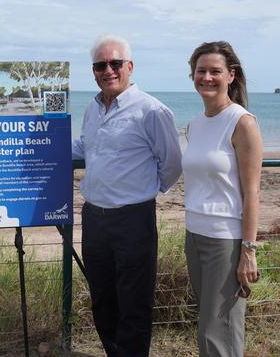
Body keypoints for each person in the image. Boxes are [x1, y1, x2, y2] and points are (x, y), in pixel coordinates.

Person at [72, 34, 182, 356]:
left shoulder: (152, 111)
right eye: (100, 65)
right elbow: (86, 148)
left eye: (115, 63)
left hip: (133, 220)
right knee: (102, 299)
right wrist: (42, 142)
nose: (108, 70)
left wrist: (147, 190)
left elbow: (172, 163)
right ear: (93, 70)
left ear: (129, 66)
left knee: (134, 304)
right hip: (94, 219)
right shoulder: (93, 109)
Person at [181, 41, 263, 357]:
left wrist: (248, 250)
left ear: (231, 75)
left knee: (219, 333)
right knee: (208, 327)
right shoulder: (195, 124)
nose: (207, 77)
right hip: (195, 235)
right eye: (201, 71)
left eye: (215, 71)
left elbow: (252, 192)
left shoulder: (242, 122)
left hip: (225, 242)